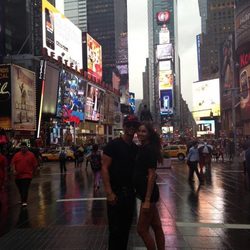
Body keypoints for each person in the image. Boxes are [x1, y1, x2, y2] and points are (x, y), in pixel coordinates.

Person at [102, 114, 140, 250]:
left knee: (126, 230)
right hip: (116, 194)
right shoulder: (113, 145)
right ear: (124, 127)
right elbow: (104, 168)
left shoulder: (136, 149)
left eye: (134, 126)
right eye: (128, 125)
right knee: (115, 231)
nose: (131, 128)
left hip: (130, 195)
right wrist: (109, 192)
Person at [133, 123, 165, 250]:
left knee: (141, 229)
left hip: (149, 195)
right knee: (156, 226)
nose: (140, 133)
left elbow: (151, 174)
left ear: (149, 134)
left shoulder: (149, 149)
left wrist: (146, 200)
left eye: (144, 131)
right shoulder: (144, 147)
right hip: (147, 193)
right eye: (139, 131)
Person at [11, 142, 38, 207]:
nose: (23, 148)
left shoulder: (31, 155)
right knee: (20, 189)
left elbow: (35, 165)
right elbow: (13, 163)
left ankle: (24, 201)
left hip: (27, 175)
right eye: (22, 147)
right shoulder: (16, 155)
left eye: (24, 147)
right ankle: (22, 199)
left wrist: (34, 172)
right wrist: (14, 170)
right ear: (20, 148)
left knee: (25, 188)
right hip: (18, 176)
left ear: (27, 147)